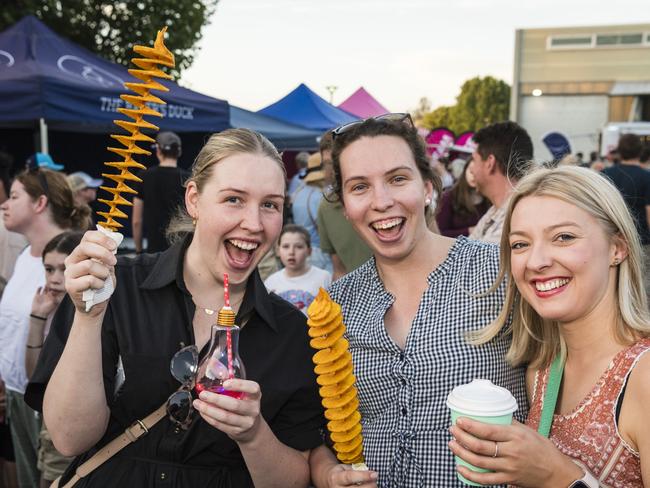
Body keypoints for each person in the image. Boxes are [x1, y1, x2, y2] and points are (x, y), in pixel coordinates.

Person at [24, 128, 325, 487]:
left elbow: (294, 480)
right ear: (194, 200)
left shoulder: (290, 332)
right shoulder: (117, 289)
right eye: (233, 199)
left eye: (270, 205)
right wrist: (89, 318)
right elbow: (70, 438)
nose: (254, 223)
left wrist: (253, 434)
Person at [308, 115, 527, 487]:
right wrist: (329, 474)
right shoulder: (335, 306)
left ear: (427, 187)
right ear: (345, 206)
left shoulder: (500, 272)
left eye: (397, 179)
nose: (382, 201)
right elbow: (315, 433)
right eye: (360, 187)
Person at [450, 166, 650, 487]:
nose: (536, 261)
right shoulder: (542, 371)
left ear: (617, 247)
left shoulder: (643, 376)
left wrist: (559, 477)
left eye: (564, 237)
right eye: (520, 244)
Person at [0, 166, 90, 488]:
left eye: (13, 196)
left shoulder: (72, 260)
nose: (4, 204)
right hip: (15, 396)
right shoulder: (27, 255)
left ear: (39, 204)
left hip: (48, 404)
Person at [25, 231, 83, 488]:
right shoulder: (49, 308)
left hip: (73, 427)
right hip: (47, 423)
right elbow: (34, 375)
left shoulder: (87, 314)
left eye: (64, 269)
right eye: (49, 270)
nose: (55, 279)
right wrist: (37, 318)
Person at [316, 131, 372, 280]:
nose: (334, 170)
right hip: (362, 298)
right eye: (328, 164)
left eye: (339, 161)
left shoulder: (384, 198)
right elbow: (339, 270)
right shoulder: (326, 208)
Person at [601, 134, 650, 298]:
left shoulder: (605, 174)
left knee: (611, 285)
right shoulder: (647, 176)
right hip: (640, 240)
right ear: (640, 151)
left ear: (620, 152)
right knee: (640, 285)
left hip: (610, 239)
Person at [468, 121, 534, 244]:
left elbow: (472, 260)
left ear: (490, 163)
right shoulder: (496, 210)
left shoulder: (518, 213)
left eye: (474, 160)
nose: (471, 169)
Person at [132, 131, 188, 253]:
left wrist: (139, 251)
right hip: (179, 252)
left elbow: (137, 221)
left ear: (158, 151)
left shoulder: (143, 177)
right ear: (179, 152)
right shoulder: (188, 179)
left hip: (153, 252)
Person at [264, 224, 331, 314]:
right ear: (278, 251)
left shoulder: (324, 278)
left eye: (299, 247)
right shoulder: (271, 282)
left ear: (309, 251)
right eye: (286, 246)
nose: (291, 252)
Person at [291, 153, 332, 273]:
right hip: (320, 252)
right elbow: (325, 227)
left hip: (306, 249)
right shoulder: (318, 196)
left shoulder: (300, 191)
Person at [436, 159, 490, 238]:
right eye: (471, 171)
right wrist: (469, 230)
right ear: (465, 171)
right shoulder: (448, 197)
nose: (474, 175)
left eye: (478, 172)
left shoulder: (488, 198)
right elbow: (440, 233)